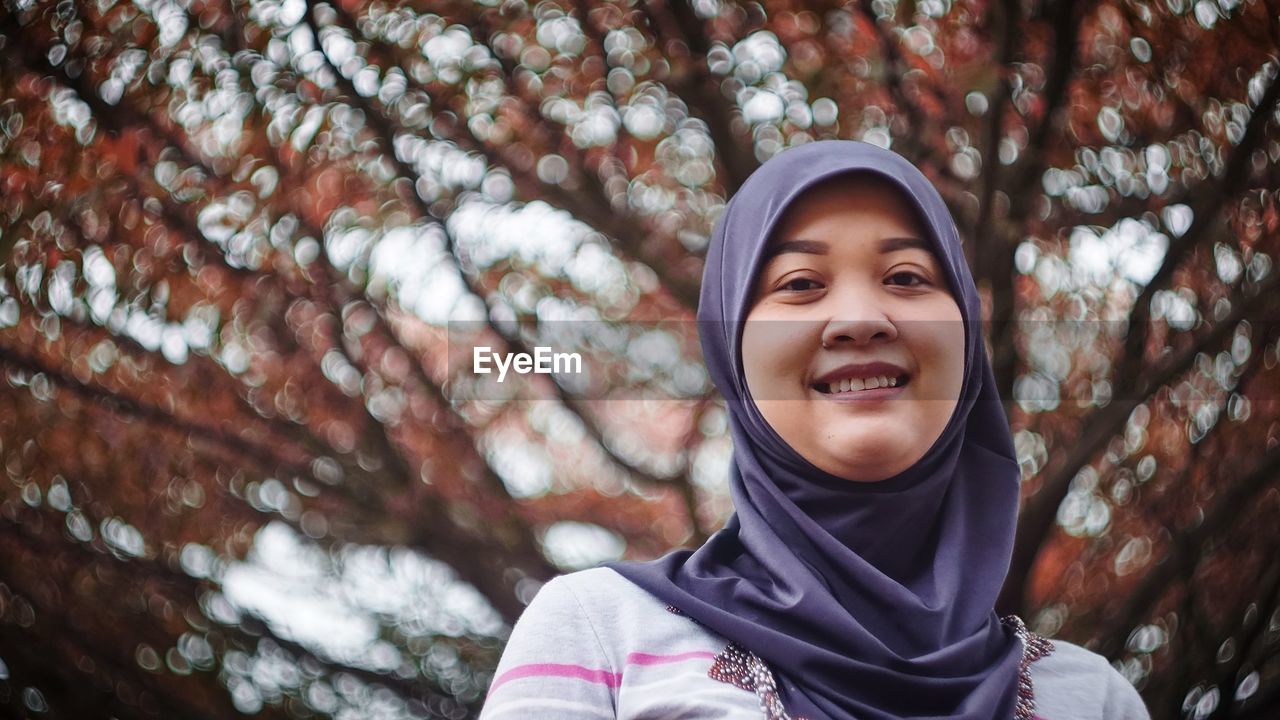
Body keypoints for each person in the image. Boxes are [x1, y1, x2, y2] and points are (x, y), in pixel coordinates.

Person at [478, 140, 1151, 720]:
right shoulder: (600, 632)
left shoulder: (1094, 699)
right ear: (733, 353)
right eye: (800, 284)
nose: (860, 318)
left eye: (906, 276)